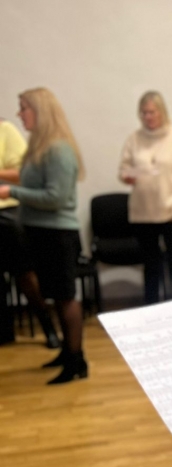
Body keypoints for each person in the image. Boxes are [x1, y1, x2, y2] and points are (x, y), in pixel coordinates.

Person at [0, 89, 87, 383]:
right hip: (42, 232)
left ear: (40, 111)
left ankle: (76, 361)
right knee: (57, 295)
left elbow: (56, 197)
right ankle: (67, 352)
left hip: (59, 233)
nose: (19, 114)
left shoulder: (59, 149)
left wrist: (11, 192)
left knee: (66, 296)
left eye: (24, 108)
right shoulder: (40, 147)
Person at [119, 91, 172, 305]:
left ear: (162, 112)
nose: (148, 117)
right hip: (143, 212)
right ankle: (152, 309)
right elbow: (124, 169)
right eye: (144, 113)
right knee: (151, 265)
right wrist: (128, 176)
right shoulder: (134, 139)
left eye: (152, 112)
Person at [0, 116, 61, 348]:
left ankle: (49, 329)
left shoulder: (5, 131)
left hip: (7, 212)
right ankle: (5, 332)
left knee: (26, 275)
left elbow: (23, 173)